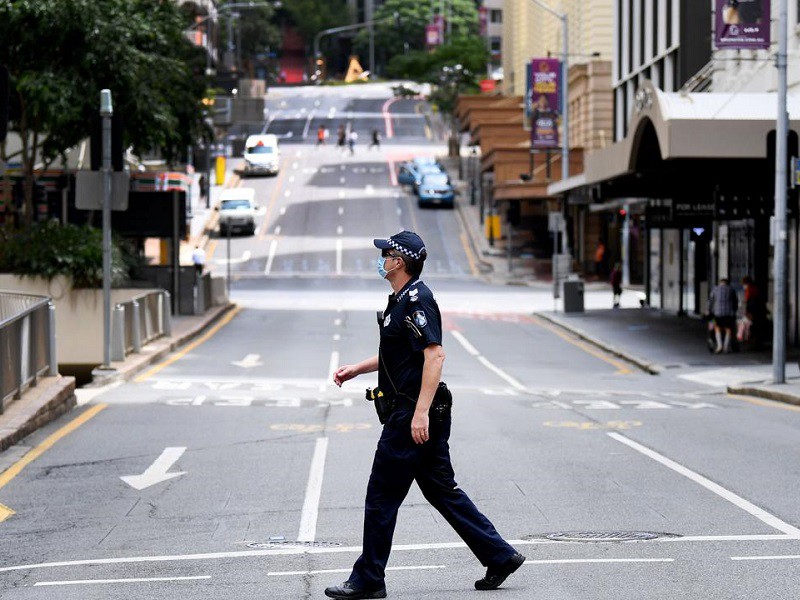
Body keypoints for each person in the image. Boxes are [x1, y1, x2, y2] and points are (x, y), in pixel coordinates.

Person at [325, 231, 525, 600]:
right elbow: (401, 355)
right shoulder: (399, 300)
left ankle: (369, 578)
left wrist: (419, 415)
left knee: (382, 495)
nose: (381, 259)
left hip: (411, 413)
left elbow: (434, 355)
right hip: (417, 409)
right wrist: (357, 369)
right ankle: (499, 555)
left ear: (399, 261)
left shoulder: (417, 299)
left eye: (385, 254)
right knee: (441, 490)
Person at [709, 278, 738, 353]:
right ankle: (726, 347)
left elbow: (711, 301)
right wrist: (734, 310)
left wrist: (709, 310)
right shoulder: (731, 289)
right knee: (728, 329)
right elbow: (735, 302)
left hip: (718, 313)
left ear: (720, 282)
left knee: (717, 327)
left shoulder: (715, 289)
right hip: (729, 313)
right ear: (727, 283)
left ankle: (719, 346)